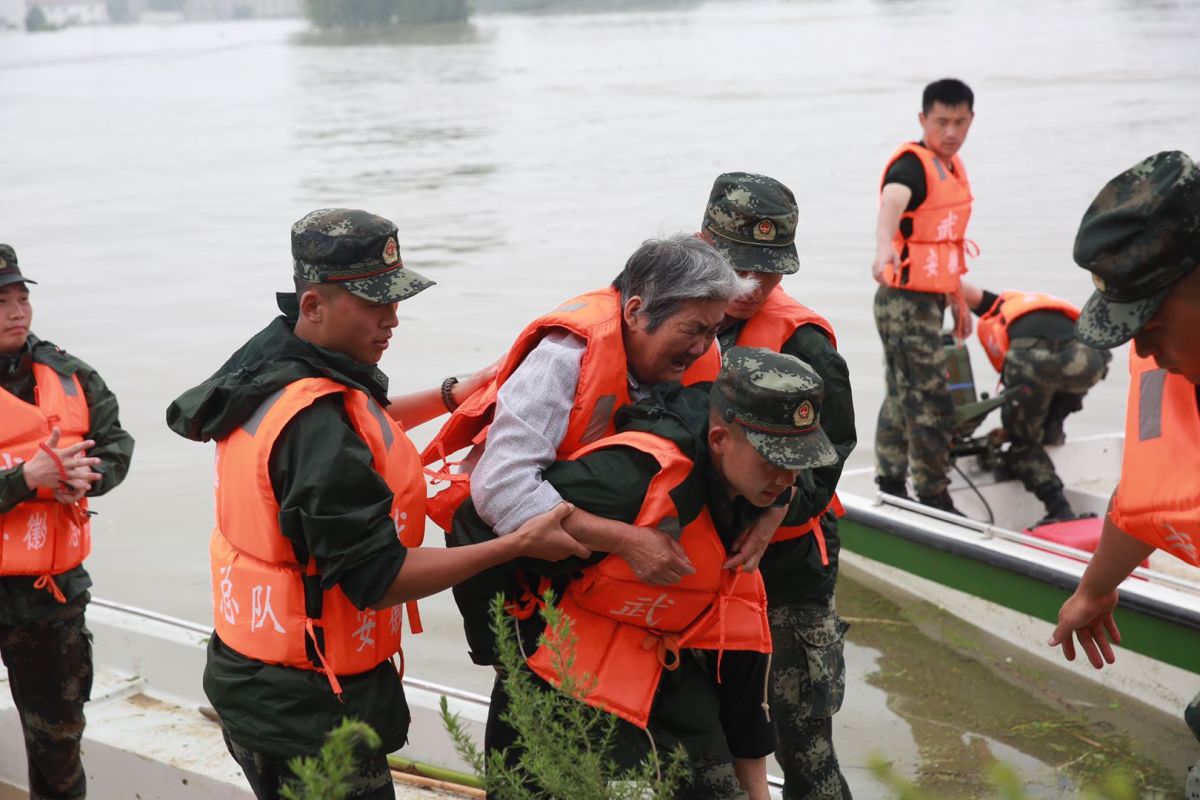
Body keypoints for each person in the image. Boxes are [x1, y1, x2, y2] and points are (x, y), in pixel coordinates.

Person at [165, 209, 587, 800]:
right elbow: (379, 578)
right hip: (307, 714)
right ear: (313, 304)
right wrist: (516, 544)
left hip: (252, 678)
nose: (392, 319)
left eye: (395, 300)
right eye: (373, 303)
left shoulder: (274, 365)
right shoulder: (315, 425)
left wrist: (453, 395)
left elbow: (361, 427)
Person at [454, 347, 840, 800]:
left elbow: (742, 651)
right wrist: (501, 656)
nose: (785, 480)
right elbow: (474, 522)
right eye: (774, 460)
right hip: (562, 673)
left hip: (668, 672)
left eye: (796, 462)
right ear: (719, 440)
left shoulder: (757, 494)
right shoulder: (630, 481)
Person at [423, 235, 755, 587]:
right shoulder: (563, 359)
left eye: (712, 331)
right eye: (693, 330)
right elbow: (501, 487)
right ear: (635, 312)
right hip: (522, 568)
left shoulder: (705, 353)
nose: (701, 347)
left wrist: (768, 513)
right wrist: (626, 541)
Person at [1045, 152, 1200, 785]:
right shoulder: (1182, 367)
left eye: (1151, 321)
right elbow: (1150, 492)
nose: (1142, 348)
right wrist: (1095, 588)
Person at [701, 173, 857, 798]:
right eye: (738, 267)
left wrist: (776, 510)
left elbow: (833, 451)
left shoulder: (805, 342)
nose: (752, 285)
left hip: (789, 568)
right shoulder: (676, 316)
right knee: (710, 737)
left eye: (768, 271)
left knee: (804, 747)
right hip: (704, 562)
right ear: (704, 244)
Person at [0, 243, 135, 799]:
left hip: (48, 595)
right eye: (0, 302)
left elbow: (116, 444)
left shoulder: (71, 374)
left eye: (21, 297)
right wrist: (23, 480)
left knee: (57, 748)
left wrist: (87, 478)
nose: (17, 312)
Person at [871, 78, 977, 512]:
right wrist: (882, 249)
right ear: (923, 119)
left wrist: (957, 299)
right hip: (903, 303)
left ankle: (891, 484)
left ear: (971, 120)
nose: (951, 132)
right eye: (941, 122)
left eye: (960, 122)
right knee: (931, 399)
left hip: (929, 299)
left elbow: (940, 244)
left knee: (903, 394)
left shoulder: (949, 166)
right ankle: (933, 495)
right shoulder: (911, 166)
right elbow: (892, 203)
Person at [961, 280, 1111, 523]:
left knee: (1022, 444)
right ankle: (1051, 432)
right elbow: (967, 292)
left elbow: (959, 288)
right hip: (1090, 359)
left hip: (1037, 361)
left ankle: (1059, 509)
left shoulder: (1000, 315)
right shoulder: (1021, 303)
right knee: (1048, 424)